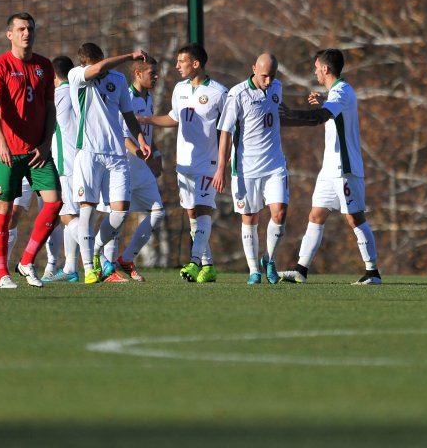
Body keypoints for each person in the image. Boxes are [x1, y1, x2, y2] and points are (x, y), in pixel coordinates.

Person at [277, 48, 381, 285]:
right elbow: (330, 113)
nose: (315, 72)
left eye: (316, 67)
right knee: (316, 215)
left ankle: (373, 272)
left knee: (355, 218)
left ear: (325, 68)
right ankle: (301, 269)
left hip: (344, 167)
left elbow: (319, 118)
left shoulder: (342, 91)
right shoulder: (335, 93)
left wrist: (292, 114)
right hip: (329, 168)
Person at [137, 43, 228, 283]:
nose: (177, 66)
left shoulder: (220, 92)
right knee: (191, 213)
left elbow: (229, 130)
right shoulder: (179, 89)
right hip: (184, 162)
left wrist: (222, 166)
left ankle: (195, 261)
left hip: (208, 163)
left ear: (196, 63)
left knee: (202, 210)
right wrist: (145, 119)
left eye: (181, 61)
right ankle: (208, 266)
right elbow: (173, 118)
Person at [0, 12, 63, 289]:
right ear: (10, 34)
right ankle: (2, 272)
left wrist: (45, 143)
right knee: (4, 210)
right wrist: (2, 143)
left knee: (54, 203)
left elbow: (50, 108)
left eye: (29, 28)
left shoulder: (44, 66)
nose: (26, 33)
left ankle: (27, 261)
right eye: (20, 29)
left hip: (37, 153)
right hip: (6, 153)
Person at [68, 42, 151, 284]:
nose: (102, 72)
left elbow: (127, 114)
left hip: (115, 154)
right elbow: (97, 69)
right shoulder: (77, 76)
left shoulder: (117, 79)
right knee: (88, 211)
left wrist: (141, 138)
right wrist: (129, 56)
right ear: (86, 65)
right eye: (97, 67)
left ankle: (95, 251)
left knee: (121, 210)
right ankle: (89, 269)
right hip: (89, 153)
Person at [211, 53, 288, 285]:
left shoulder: (277, 88)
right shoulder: (237, 94)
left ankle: (270, 260)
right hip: (246, 168)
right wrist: (221, 167)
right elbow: (225, 132)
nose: (268, 81)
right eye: (264, 76)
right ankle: (254, 270)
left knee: (280, 213)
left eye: (272, 76)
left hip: (275, 164)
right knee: (250, 218)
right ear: (254, 68)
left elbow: (275, 115)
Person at [102, 56, 166, 282]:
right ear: (138, 74)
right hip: (126, 167)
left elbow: (145, 135)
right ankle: (105, 268)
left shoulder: (148, 97)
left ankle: (126, 259)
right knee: (117, 217)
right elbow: (123, 137)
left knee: (158, 212)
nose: (156, 76)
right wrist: (144, 157)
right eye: (151, 72)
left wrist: (155, 154)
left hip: (142, 168)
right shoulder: (126, 96)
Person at [42, 55, 82, 283]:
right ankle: (70, 268)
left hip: (65, 164)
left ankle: (98, 257)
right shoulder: (81, 93)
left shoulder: (58, 95)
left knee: (67, 216)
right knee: (76, 214)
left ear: (53, 75)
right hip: (84, 160)